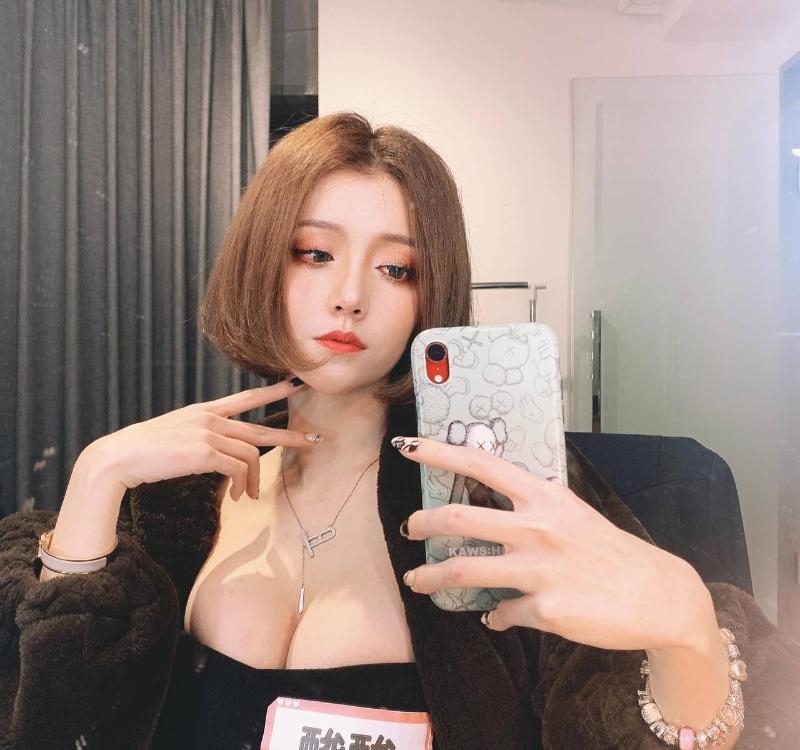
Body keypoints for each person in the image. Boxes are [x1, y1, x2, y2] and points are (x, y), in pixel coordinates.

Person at [0, 112, 798, 750]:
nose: (349, 295)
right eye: (313, 253)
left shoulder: (492, 488)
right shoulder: (173, 497)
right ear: (262, 262)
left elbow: (610, 709)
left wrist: (689, 634)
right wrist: (96, 478)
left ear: (430, 291)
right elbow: (61, 725)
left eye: (396, 269)